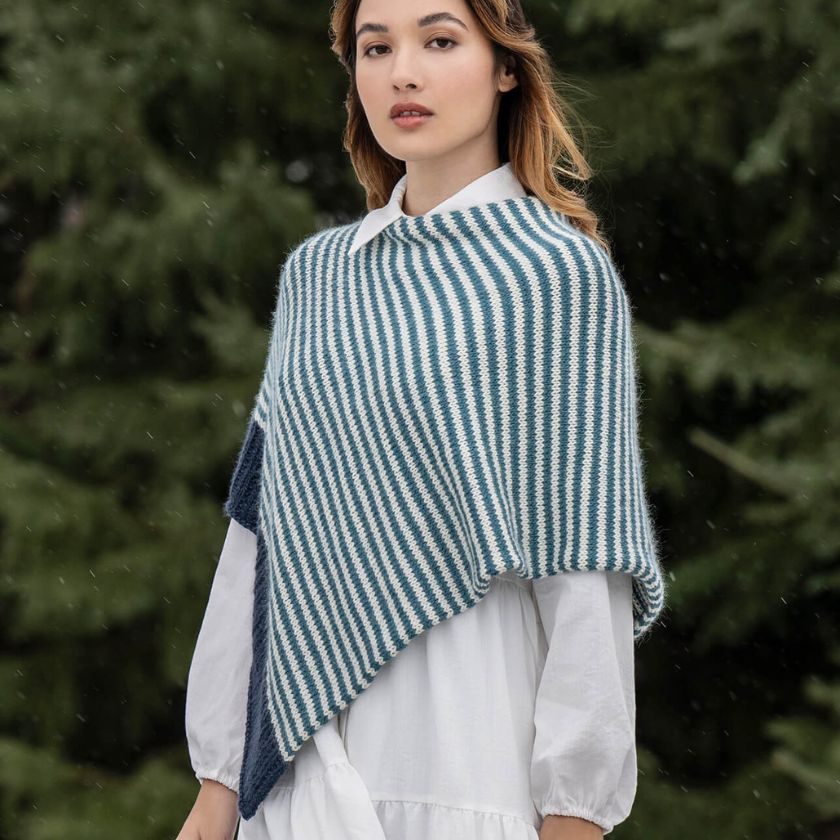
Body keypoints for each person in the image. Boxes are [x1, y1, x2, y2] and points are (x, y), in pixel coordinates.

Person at [176, 1, 666, 838]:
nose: (402, 71)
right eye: (377, 47)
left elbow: (587, 564)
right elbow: (258, 537)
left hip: (466, 758)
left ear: (506, 66)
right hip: (301, 774)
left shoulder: (557, 280)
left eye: (439, 41)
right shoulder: (319, 279)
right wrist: (218, 785)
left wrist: (575, 812)